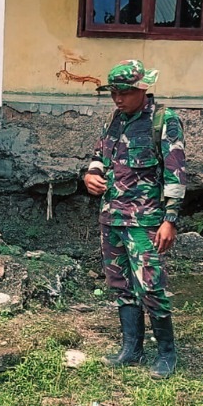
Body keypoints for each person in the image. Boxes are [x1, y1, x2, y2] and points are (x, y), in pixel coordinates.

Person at [84, 60, 186, 379]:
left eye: (124, 93)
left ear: (142, 89)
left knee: (151, 286)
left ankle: (166, 353)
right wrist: (91, 174)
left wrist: (169, 220)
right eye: (114, 92)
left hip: (144, 221)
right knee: (120, 285)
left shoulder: (163, 121)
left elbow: (176, 174)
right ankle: (132, 348)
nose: (118, 99)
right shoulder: (114, 119)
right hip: (111, 217)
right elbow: (100, 156)